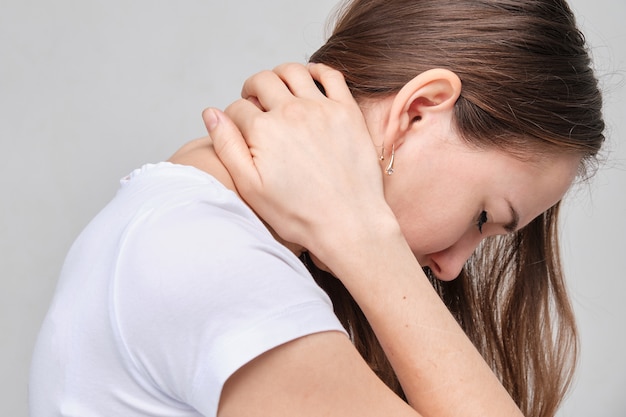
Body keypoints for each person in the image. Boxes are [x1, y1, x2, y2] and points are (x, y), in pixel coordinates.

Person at [29, 1, 605, 417]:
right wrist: (369, 243)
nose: (453, 267)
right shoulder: (206, 259)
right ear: (420, 112)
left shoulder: (191, 230)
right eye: (484, 218)